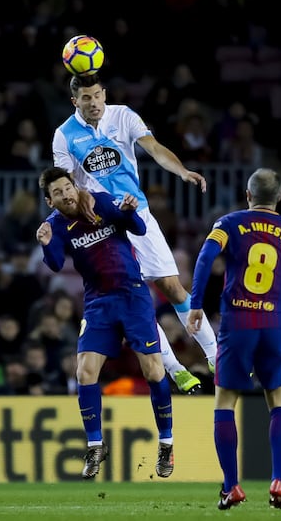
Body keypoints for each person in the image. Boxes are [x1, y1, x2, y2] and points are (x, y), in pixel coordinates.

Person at [52, 73, 218, 394]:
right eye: (86, 98)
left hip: (138, 213)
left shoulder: (124, 115)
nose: (94, 102)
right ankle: (176, 369)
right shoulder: (64, 135)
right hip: (104, 227)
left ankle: (214, 355)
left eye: (98, 95)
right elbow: (67, 181)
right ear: (76, 101)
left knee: (172, 287)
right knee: (137, 298)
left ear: (104, 94)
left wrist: (182, 170)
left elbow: (154, 148)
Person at [186, 168, 281, 510]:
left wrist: (195, 304)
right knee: (279, 403)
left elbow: (206, 257)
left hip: (238, 323)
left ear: (248, 195)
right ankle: (278, 479)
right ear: (279, 198)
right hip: (276, 325)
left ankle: (232, 486)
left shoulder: (229, 224)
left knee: (224, 404)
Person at [36, 167, 174, 479]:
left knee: (153, 369)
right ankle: (96, 445)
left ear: (74, 186)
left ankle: (166, 443)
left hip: (133, 295)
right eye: (57, 193)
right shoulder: (55, 225)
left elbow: (137, 229)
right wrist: (46, 243)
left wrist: (127, 213)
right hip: (98, 301)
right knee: (84, 371)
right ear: (50, 201)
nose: (66, 195)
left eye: (67, 188)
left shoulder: (100, 202)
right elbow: (56, 264)